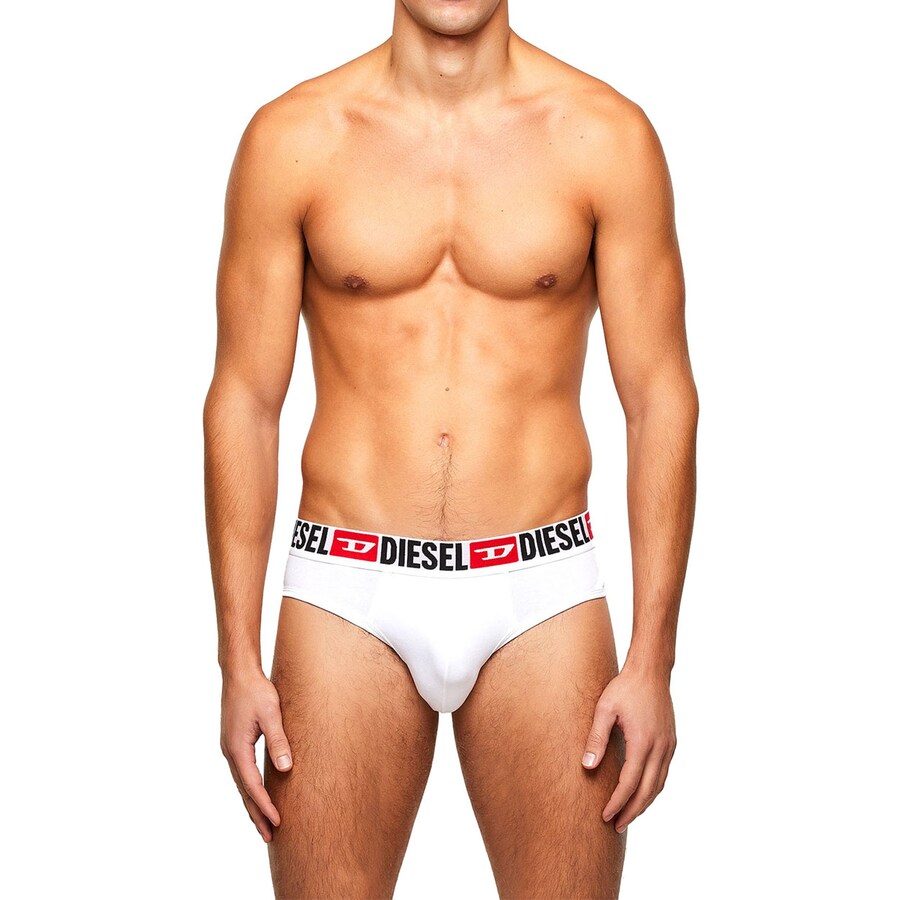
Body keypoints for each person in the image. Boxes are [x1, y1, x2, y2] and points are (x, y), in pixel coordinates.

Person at [203, 1, 698, 896]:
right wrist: (236, 658)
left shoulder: (605, 138)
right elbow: (245, 400)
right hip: (348, 587)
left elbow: (658, 399)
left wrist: (653, 659)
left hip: (540, 587)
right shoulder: (294, 140)